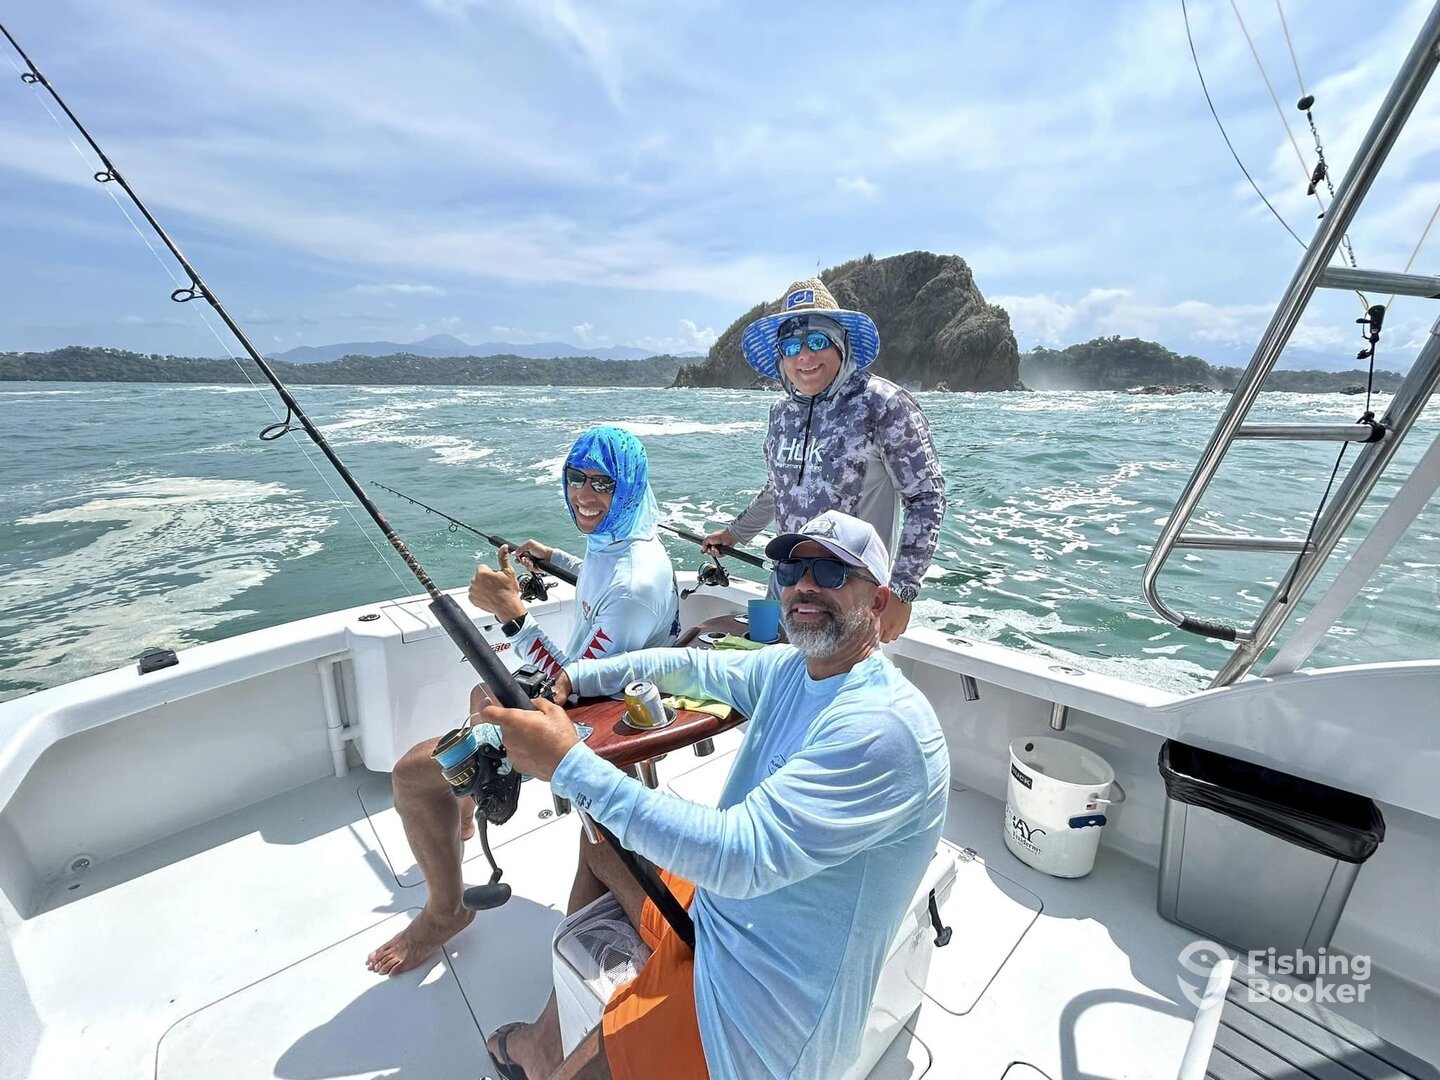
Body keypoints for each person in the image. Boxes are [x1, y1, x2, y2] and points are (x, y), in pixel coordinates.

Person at [482, 510, 950, 1079]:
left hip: (755, 1018)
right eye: (791, 570)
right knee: (601, 840)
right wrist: (577, 678)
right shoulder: (793, 670)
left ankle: (552, 1054)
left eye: (831, 572)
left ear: (877, 602)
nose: (804, 585)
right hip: (714, 919)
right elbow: (688, 667)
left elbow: (736, 856)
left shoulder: (883, 727)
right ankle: (547, 1039)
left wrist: (567, 763)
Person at [366, 425, 680, 977]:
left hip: (594, 717)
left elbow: (568, 683)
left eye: (602, 483)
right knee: (482, 693)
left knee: (411, 776)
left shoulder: (635, 585)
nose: (584, 494)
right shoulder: (626, 536)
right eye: (576, 478)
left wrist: (511, 614)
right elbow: (599, 575)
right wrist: (552, 556)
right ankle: (469, 804)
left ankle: (445, 912)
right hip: (599, 684)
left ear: (628, 486)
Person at [702, 278, 946, 644]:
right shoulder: (781, 413)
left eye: (817, 341)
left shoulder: (883, 403)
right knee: (780, 675)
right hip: (787, 583)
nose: (804, 356)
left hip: (851, 593)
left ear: (841, 344)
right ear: (781, 357)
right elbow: (779, 488)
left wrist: (902, 590)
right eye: (791, 346)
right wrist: (736, 533)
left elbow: (926, 497)